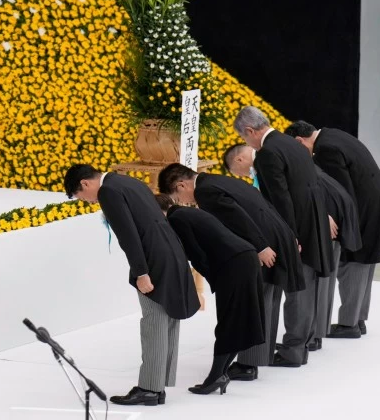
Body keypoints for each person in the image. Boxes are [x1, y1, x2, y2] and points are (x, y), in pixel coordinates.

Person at [64, 164, 199, 407]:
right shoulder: (128, 182)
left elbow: (128, 235)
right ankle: (157, 386)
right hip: (170, 249)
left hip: (153, 258)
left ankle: (149, 388)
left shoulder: (108, 192)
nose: (87, 201)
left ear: (85, 184)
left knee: (154, 320)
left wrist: (141, 273)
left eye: (80, 197)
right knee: (167, 318)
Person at [158, 162, 303, 378]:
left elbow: (237, 217)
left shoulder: (205, 191)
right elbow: (263, 203)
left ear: (181, 185)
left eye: (179, 198)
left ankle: (247, 365)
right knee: (268, 298)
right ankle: (254, 360)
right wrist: (288, 234)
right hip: (276, 234)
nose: (185, 203)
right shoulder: (219, 180)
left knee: (257, 301)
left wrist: (260, 246)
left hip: (263, 243)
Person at [233, 106, 332, 366]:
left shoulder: (267, 153)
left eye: (245, 139)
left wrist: (288, 236)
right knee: (306, 285)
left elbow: (279, 198)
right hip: (313, 222)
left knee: (296, 288)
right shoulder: (293, 144)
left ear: (250, 131)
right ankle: (302, 344)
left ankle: (293, 351)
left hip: (295, 228)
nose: (248, 144)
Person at [286, 120, 380, 338]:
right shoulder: (333, 133)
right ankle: (358, 319)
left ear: (300, 140)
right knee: (366, 262)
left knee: (353, 262)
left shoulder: (324, 150)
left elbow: (339, 191)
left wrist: (330, 219)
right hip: (378, 198)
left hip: (364, 205)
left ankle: (349, 325)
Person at [154, 193, 266, 396]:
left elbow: (195, 253)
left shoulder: (176, 219)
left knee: (229, 321)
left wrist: (212, 278)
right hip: (244, 258)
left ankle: (215, 377)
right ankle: (219, 374)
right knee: (236, 320)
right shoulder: (187, 212)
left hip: (233, 265)